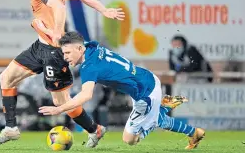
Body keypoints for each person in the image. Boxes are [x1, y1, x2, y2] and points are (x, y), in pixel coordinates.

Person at [0, 0, 125, 147]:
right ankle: (11, 128)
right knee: (6, 78)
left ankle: (95, 130)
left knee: (61, 101)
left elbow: (59, 6)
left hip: (53, 51)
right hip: (40, 46)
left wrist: (57, 32)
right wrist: (104, 10)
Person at [39, 32, 205, 149]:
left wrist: (60, 108)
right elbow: (75, 42)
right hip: (145, 82)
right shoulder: (92, 47)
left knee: (130, 140)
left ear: (80, 49)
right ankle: (164, 111)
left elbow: (86, 95)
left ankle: (190, 129)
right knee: (151, 120)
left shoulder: (89, 67)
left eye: (67, 53)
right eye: (64, 53)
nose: (65, 57)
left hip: (145, 95)